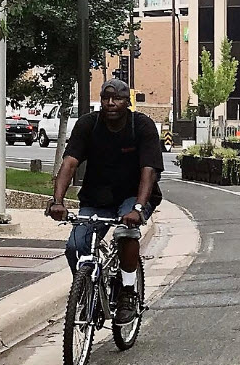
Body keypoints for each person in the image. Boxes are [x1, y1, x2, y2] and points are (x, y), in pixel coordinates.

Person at [47, 78, 164, 325]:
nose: (111, 103)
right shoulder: (88, 125)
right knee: (75, 246)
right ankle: (86, 290)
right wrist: (57, 200)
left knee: (126, 232)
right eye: (106, 98)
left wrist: (139, 208)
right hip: (97, 197)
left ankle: (127, 292)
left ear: (127, 102)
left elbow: (149, 170)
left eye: (117, 98)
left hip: (134, 196)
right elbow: (69, 163)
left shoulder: (141, 126)